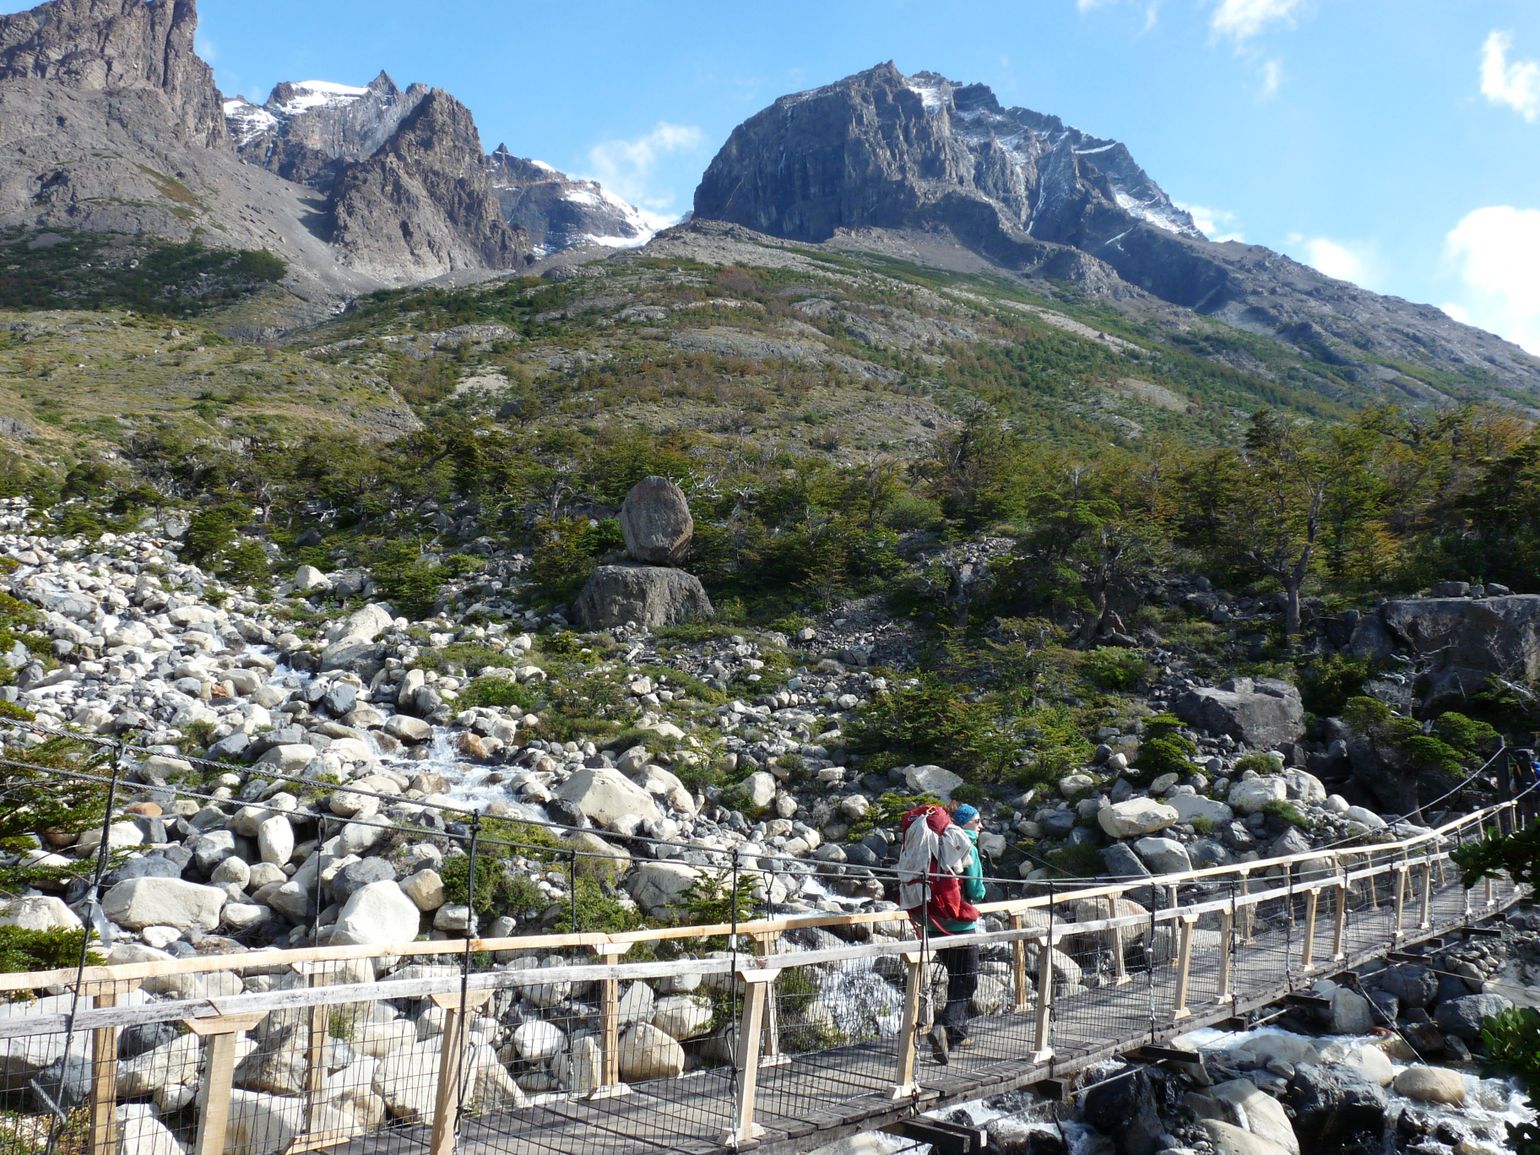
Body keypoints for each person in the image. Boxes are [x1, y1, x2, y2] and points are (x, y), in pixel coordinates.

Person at [896, 801, 986, 1064]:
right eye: (976, 821)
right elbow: (976, 889)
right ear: (963, 823)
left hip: (932, 923)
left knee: (955, 976)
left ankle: (957, 1034)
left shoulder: (930, 841)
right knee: (968, 980)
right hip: (958, 923)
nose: (980, 826)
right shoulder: (964, 842)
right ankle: (943, 1027)